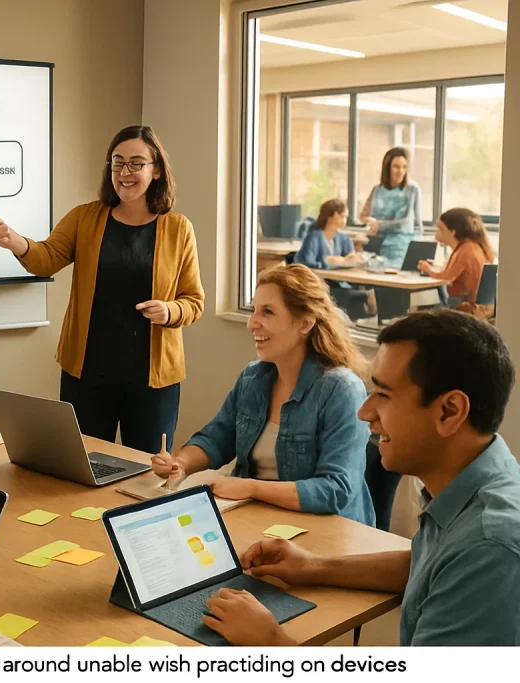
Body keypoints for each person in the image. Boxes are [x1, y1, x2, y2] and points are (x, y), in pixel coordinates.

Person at [202, 309, 520, 646]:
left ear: (449, 411)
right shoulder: (480, 487)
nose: (364, 412)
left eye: (383, 394)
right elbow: (429, 563)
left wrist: (271, 642)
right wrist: (315, 567)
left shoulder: (490, 550)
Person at [0, 125, 204, 455]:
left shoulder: (177, 228)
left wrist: (170, 311)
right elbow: (46, 259)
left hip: (152, 382)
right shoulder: (85, 218)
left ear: (156, 170)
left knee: (145, 475)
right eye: (117, 163)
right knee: (80, 467)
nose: (125, 172)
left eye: (136, 163)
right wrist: (15, 241)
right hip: (87, 375)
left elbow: (194, 301)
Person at [150, 264, 374, 525]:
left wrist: (250, 488)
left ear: (305, 323)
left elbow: (335, 491)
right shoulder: (253, 378)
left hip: (324, 532)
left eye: (267, 312)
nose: (252, 323)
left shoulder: (341, 390)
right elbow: (217, 437)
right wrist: (180, 463)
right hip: (259, 521)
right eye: (254, 310)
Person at [294, 199, 369, 320]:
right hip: (322, 286)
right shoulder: (314, 237)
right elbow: (306, 264)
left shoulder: (343, 238)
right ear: (331, 216)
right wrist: (329, 262)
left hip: (342, 284)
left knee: (366, 295)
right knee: (358, 297)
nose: (345, 220)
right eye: (342, 216)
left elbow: (348, 260)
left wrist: (354, 259)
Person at [417, 207, 493, 308]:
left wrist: (428, 270)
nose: (436, 234)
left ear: (453, 232)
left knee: (420, 304)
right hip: (465, 301)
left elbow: (448, 277)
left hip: (462, 305)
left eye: (440, 229)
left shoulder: (466, 250)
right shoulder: (471, 247)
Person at [360, 147, 423, 269]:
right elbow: (363, 215)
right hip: (376, 243)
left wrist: (379, 224)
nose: (400, 171)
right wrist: (370, 222)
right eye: (396, 167)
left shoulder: (412, 189)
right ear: (387, 167)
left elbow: (409, 222)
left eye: (404, 167)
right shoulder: (377, 189)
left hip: (400, 245)